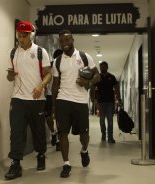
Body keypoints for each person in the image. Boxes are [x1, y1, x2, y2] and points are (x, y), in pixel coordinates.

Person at [5, 20, 51, 180]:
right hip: (17, 98)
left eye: (23, 36)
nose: (20, 39)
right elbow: (10, 76)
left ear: (30, 35)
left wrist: (41, 86)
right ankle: (16, 163)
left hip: (36, 98)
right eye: (18, 36)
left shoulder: (40, 52)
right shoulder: (13, 52)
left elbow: (48, 73)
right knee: (16, 131)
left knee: (38, 130)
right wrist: (10, 75)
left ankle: (41, 154)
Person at [52, 30, 100, 178]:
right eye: (62, 41)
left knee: (84, 134)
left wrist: (88, 82)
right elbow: (55, 85)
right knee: (63, 133)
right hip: (63, 100)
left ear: (72, 39)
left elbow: (97, 76)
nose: (65, 43)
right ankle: (66, 164)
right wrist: (54, 106)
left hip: (80, 101)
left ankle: (84, 150)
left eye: (67, 40)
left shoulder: (85, 57)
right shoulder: (57, 61)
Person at [91, 61, 121, 144]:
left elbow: (116, 88)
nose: (102, 68)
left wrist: (119, 99)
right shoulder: (97, 77)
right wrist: (93, 101)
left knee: (110, 120)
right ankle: (103, 134)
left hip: (110, 102)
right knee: (101, 120)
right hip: (100, 102)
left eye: (104, 67)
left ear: (107, 67)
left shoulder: (112, 77)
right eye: (101, 67)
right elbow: (92, 89)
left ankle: (110, 137)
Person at [45, 49, 63, 151]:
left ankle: (59, 141)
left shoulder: (64, 67)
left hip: (60, 95)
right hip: (48, 94)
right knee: (48, 117)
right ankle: (53, 133)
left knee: (60, 118)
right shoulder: (49, 66)